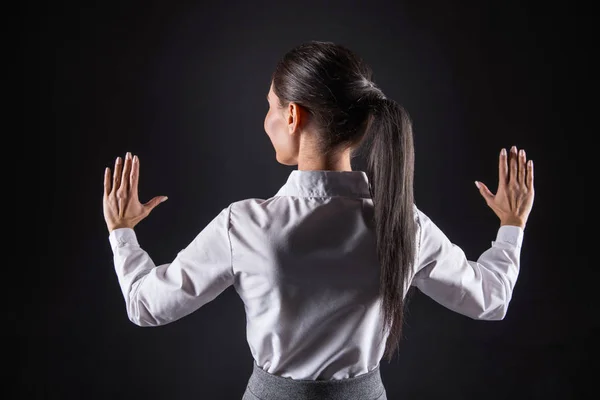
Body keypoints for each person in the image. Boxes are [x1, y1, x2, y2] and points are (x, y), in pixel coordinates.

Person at [102, 40, 535, 400]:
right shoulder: (406, 225)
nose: (265, 119)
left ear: (292, 115)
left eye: (270, 105)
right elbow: (490, 300)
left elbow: (146, 306)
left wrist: (122, 233)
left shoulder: (244, 225)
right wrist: (511, 225)